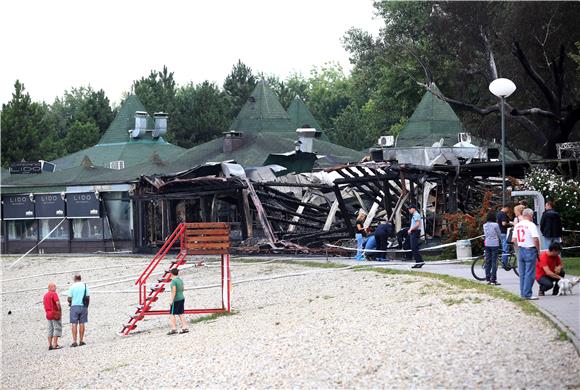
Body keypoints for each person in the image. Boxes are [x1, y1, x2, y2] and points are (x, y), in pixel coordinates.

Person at [512, 209, 541, 300]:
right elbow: (535, 239)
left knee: (522, 273)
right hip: (530, 249)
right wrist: (538, 250)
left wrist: (519, 248)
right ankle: (528, 293)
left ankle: (523, 293)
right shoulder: (531, 225)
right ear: (530, 215)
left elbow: (514, 240)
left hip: (521, 249)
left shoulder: (517, 225)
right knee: (530, 273)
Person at [67, 274, 89, 347]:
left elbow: (69, 298)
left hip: (74, 306)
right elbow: (88, 297)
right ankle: (81, 340)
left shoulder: (72, 286)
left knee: (74, 323)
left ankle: (74, 341)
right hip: (83, 306)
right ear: (80, 278)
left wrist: (70, 302)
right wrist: (87, 306)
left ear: (74, 279)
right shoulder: (85, 286)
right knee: (82, 323)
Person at [483, 211, 502, 286]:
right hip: (494, 244)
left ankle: (488, 278)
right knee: (494, 262)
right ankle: (493, 280)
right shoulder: (495, 225)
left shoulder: (484, 225)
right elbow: (499, 234)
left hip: (487, 243)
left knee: (488, 261)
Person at [168, 268, 189, 335]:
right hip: (182, 297)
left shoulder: (173, 281)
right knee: (181, 313)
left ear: (171, 274)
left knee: (172, 314)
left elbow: (174, 291)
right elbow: (183, 289)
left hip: (176, 299)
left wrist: (171, 300)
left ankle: (174, 328)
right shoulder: (180, 280)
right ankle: (185, 327)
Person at [43, 282, 62, 350]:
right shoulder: (54, 294)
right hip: (54, 313)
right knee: (57, 328)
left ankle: (50, 344)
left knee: (50, 329)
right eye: (55, 287)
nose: (56, 288)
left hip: (48, 314)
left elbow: (44, 305)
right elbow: (57, 303)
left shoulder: (45, 295)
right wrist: (59, 310)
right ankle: (55, 344)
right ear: (51, 288)